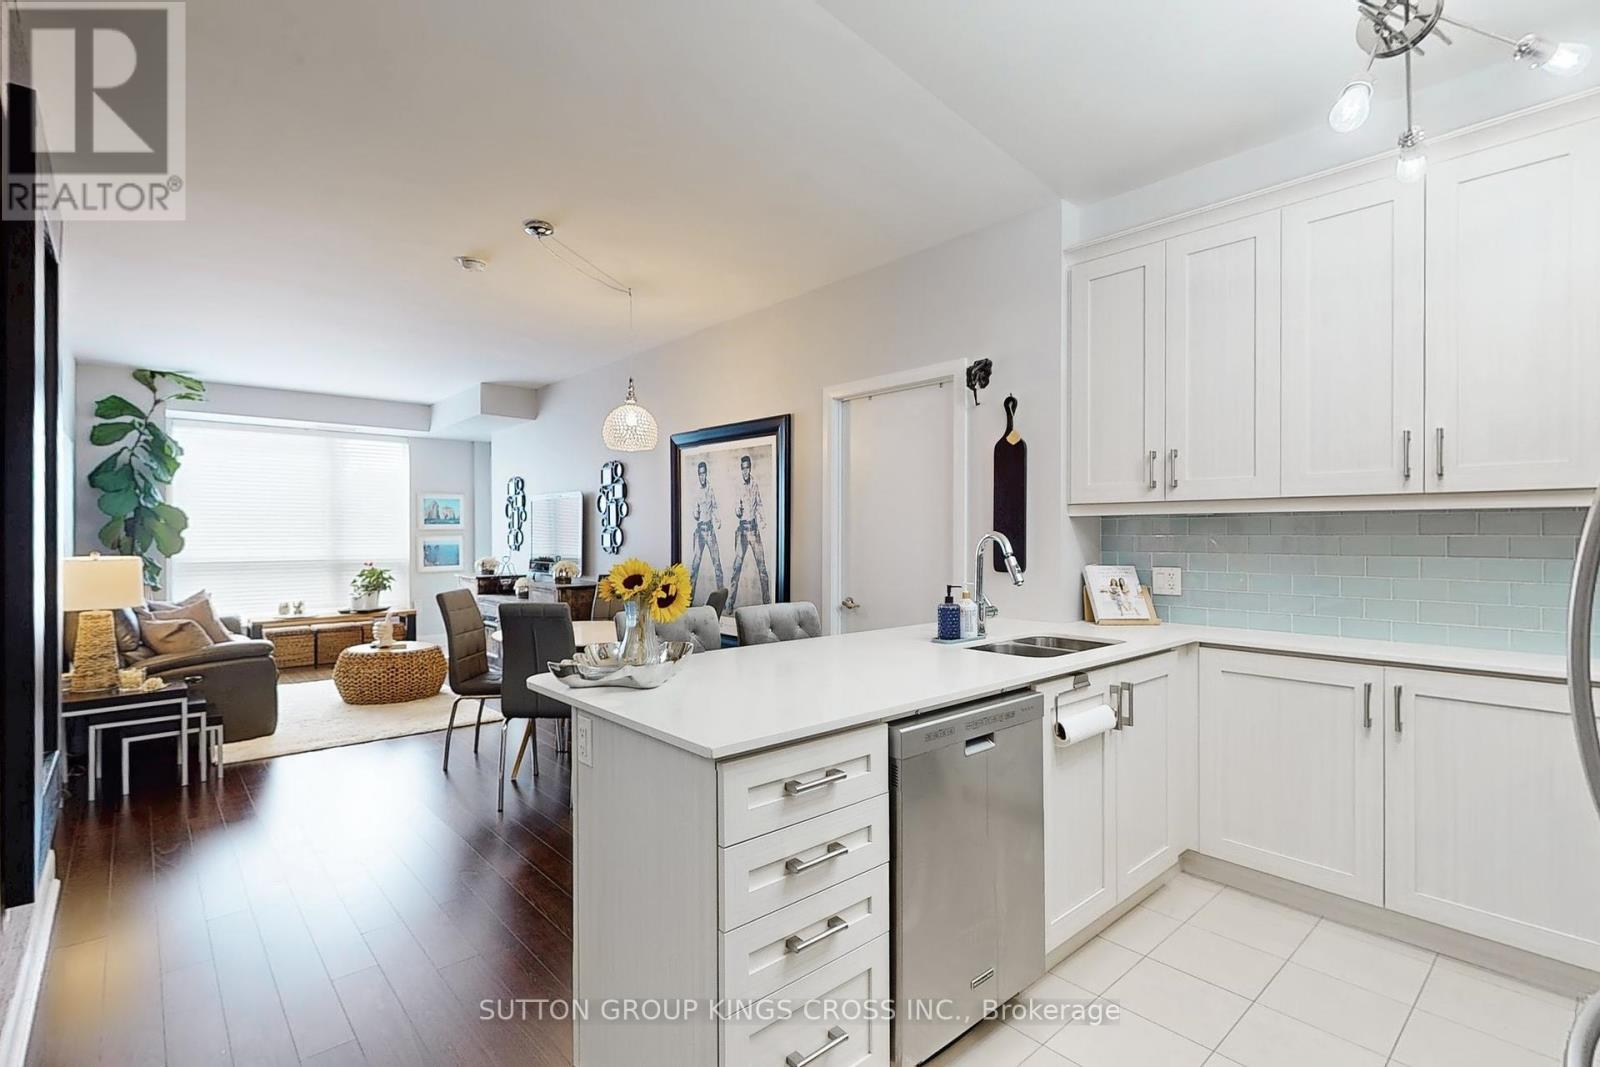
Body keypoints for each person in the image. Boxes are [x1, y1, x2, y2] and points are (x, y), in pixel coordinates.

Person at [729, 454, 771, 608]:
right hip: (742, 530)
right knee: (736, 568)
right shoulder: (737, 485)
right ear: (741, 469)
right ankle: (729, 604)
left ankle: (767, 602)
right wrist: (738, 510)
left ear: (750, 468)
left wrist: (763, 519)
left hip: (754, 529)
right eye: (743, 468)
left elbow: (758, 503)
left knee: (762, 568)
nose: (746, 471)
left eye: (748, 468)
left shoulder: (755, 484)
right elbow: (735, 508)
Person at [687, 460, 725, 602]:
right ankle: (688, 603)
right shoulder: (696, 491)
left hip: (710, 530)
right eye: (700, 474)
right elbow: (694, 513)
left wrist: (718, 519)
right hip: (700, 531)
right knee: (695, 567)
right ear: (698, 475)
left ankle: (721, 600)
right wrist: (695, 513)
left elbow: (714, 507)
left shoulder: (710, 489)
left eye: (704, 474)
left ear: (706, 474)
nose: (702, 477)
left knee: (717, 565)